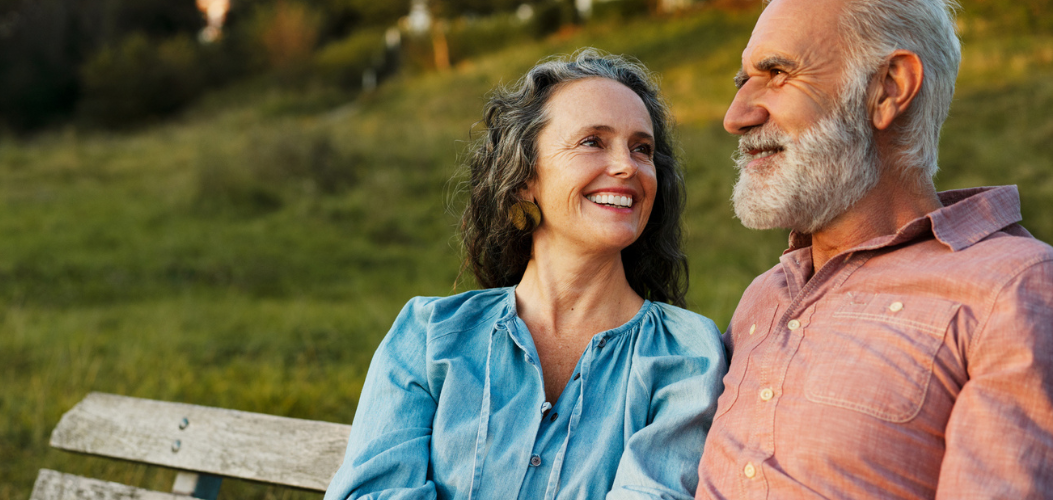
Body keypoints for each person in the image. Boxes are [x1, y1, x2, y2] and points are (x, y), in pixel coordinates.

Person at [324, 49, 727, 500]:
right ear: (524, 177)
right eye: (593, 141)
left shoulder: (686, 355)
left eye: (642, 148)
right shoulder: (429, 336)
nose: (627, 166)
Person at [695, 0, 1053, 498]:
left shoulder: (1013, 288)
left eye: (777, 73)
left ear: (889, 87)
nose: (737, 116)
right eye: (742, 81)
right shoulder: (763, 297)